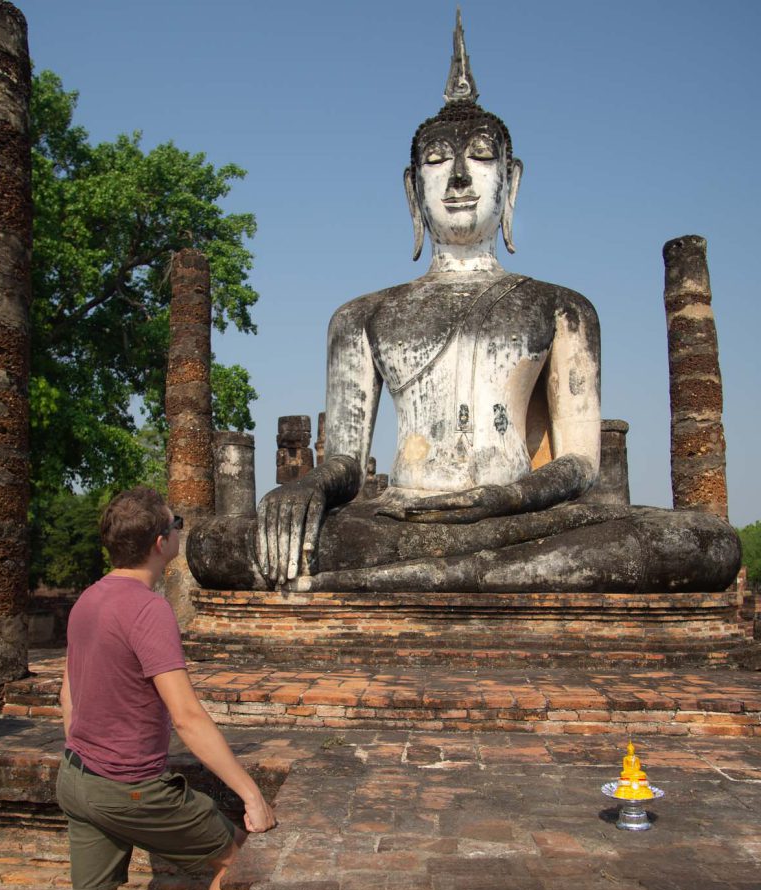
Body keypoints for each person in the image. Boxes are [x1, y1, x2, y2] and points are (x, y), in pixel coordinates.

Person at [187, 13, 740, 595]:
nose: (457, 178)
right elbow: (346, 463)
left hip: (518, 516)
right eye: (435, 162)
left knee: (703, 541)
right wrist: (308, 488)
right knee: (216, 546)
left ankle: (419, 580)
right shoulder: (362, 316)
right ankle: (462, 577)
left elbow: (580, 465)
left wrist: (500, 498)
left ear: (511, 181)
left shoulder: (562, 308)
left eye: (478, 156)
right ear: (411, 190)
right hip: (400, 518)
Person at [56, 486, 276, 890]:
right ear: (162, 542)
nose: (180, 531)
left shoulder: (89, 599)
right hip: (130, 788)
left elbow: (67, 695)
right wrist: (252, 795)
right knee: (238, 861)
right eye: (176, 525)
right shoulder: (148, 610)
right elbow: (187, 717)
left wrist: (91, 754)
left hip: (77, 778)